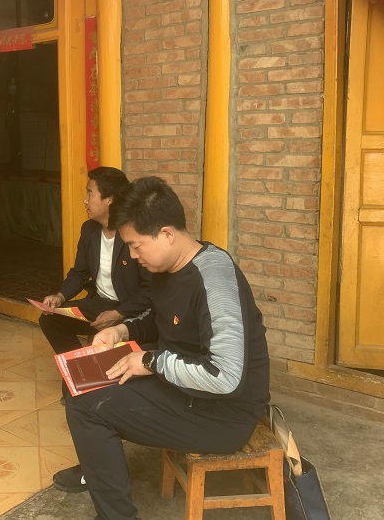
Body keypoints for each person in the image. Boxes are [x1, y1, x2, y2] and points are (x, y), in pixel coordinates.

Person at [52, 176, 270, 520]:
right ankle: (98, 474)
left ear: (167, 233)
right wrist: (121, 330)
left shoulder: (214, 279)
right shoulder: (168, 266)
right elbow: (160, 316)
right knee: (79, 383)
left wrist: (150, 361)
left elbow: (226, 377)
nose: (132, 255)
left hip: (222, 412)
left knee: (87, 408)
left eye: (136, 245)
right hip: (184, 383)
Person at [38, 167, 152, 364]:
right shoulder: (89, 230)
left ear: (110, 200)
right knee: (50, 319)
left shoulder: (134, 233)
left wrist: (118, 314)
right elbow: (79, 272)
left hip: (130, 309)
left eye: (90, 194)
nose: (85, 200)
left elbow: (150, 287)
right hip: (99, 304)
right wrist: (59, 296)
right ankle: (81, 366)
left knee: (114, 360)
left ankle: (90, 368)